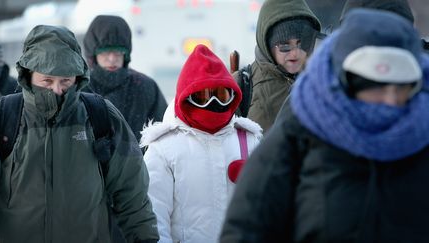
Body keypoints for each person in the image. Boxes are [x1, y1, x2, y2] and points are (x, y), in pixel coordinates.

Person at [220, 8, 429, 242]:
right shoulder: (302, 130)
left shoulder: (424, 133)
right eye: (377, 87)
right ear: (349, 81)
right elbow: (248, 224)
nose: (390, 100)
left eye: (401, 88)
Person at [0, 25, 159, 243]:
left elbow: (132, 194)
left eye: (65, 81)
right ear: (28, 75)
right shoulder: (4, 116)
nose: (57, 90)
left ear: (77, 78)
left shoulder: (101, 116)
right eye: (47, 80)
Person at [140, 44, 262, 243]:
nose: (213, 103)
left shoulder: (248, 140)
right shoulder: (164, 148)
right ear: (186, 98)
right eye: (202, 96)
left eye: (222, 95)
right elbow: (154, 216)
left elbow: (267, 207)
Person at [236, 0, 321, 133]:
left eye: (302, 43)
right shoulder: (243, 84)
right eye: (284, 45)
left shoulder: (324, 80)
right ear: (267, 45)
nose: (295, 53)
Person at [83, 15, 167, 142]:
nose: (112, 59)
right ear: (93, 54)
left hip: (139, 161)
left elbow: (163, 132)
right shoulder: (80, 87)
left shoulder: (145, 87)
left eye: (118, 51)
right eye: (105, 52)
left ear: (126, 54)